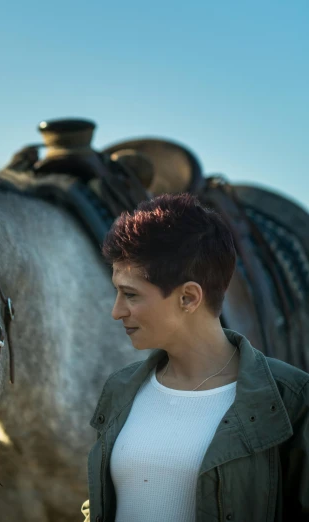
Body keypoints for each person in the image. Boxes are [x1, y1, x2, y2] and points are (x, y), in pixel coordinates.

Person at [81, 193, 309, 522]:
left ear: (188, 298)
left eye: (130, 294)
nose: (116, 311)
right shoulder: (120, 388)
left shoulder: (293, 399)